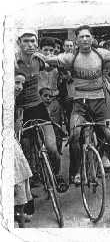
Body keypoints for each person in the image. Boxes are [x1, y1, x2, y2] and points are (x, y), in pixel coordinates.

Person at [45, 25, 110, 185]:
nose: (84, 39)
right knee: (75, 135)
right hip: (80, 104)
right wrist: (38, 56)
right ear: (76, 40)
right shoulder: (71, 57)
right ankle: (77, 170)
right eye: (81, 37)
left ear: (92, 38)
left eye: (87, 36)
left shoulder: (101, 53)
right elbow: (51, 60)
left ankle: (104, 155)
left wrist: (108, 69)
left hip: (100, 102)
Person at [15, 29, 67, 189]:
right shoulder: (12, 63)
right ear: (19, 43)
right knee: (24, 150)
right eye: (26, 41)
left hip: (39, 108)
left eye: (33, 41)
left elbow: (55, 65)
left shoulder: (39, 60)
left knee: (52, 148)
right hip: (21, 111)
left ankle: (57, 175)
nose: (30, 45)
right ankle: (29, 187)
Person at [14, 71, 33, 228]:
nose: (19, 87)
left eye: (22, 84)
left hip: (11, 140)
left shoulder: (16, 102)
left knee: (22, 173)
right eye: (16, 82)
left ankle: (19, 213)